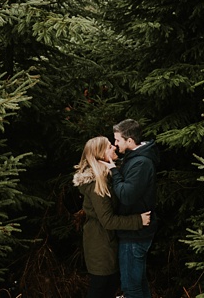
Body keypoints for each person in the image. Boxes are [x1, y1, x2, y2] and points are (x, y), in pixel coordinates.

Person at [73, 137, 152, 298]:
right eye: (109, 147)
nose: (114, 147)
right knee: (100, 287)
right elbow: (108, 220)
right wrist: (138, 220)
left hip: (107, 242)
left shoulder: (107, 176)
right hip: (100, 245)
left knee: (109, 287)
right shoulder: (97, 184)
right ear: (101, 155)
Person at [111, 118, 160, 298]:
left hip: (135, 235)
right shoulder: (134, 159)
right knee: (139, 284)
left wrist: (113, 171)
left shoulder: (141, 163)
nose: (115, 144)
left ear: (130, 141)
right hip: (135, 231)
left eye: (117, 140)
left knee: (131, 287)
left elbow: (126, 195)